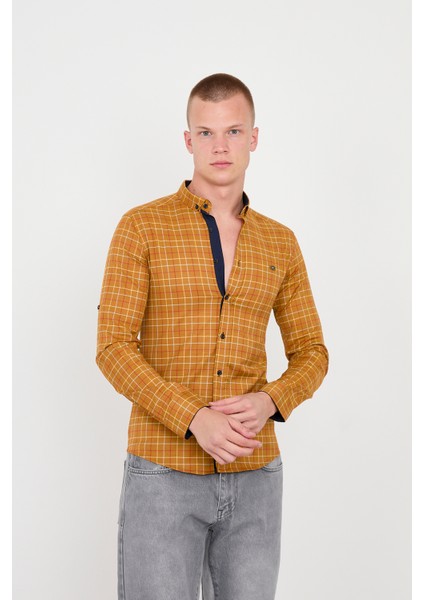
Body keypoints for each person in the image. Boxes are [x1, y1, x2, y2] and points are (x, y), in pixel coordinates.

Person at [96, 73, 329, 600]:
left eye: (233, 131)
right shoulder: (141, 227)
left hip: (255, 476)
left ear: (253, 138)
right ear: (188, 140)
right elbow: (112, 346)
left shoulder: (281, 242)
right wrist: (193, 417)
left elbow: (313, 352)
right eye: (206, 132)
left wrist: (272, 400)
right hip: (162, 472)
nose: (220, 146)